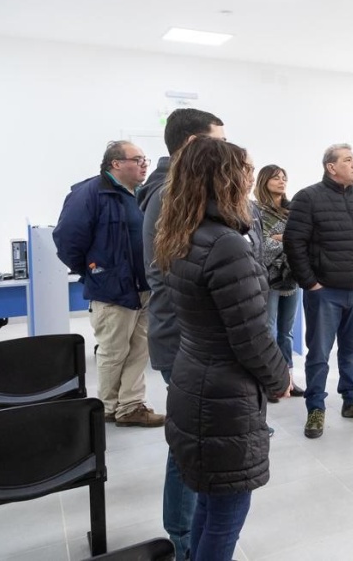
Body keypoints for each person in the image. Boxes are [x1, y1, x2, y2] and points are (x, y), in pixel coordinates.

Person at [155, 137, 290, 560]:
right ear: (223, 180)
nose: (251, 180)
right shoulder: (227, 245)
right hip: (224, 395)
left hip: (194, 380)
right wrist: (280, 379)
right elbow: (251, 336)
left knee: (210, 503)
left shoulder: (182, 233)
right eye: (244, 172)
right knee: (227, 511)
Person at [138, 107, 224, 560]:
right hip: (184, 341)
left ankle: (193, 531)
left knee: (198, 440)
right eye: (219, 142)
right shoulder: (168, 193)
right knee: (188, 443)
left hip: (194, 340)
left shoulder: (187, 189)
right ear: (193, 144)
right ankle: (184, 539)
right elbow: (162, 276)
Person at [53, 140, 163, 427]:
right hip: (112, 289)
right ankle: (107, 407)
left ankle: (131, 406)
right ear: (116, 163)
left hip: (145, 288)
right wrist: (94, 271)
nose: (144, 165)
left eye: (144, 160)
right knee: (114, 351)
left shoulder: (140, 194)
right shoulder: (91, 193)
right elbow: (67, 240)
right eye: (137, 159)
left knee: (140, 348)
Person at [285, 143, 353, 439]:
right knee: (319, 354)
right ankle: (316, 408)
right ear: (331, 167)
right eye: (348, 160)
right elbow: (294, 243)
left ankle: (352, 401)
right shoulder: (308, 198)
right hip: (325, 292)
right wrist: (311, 283)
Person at [252, 164, 305, 399]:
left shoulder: (293, 209)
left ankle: (289, 381)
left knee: (287, 333)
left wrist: (280, 238)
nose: (282, 182)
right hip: (268, 277)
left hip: (292, 277)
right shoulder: (255, 211)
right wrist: (287, 240)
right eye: (276, 178)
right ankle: (271, 381)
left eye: (284, 177)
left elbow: (303, 240)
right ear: (264, 181)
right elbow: (260, 247)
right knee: (269, 331)